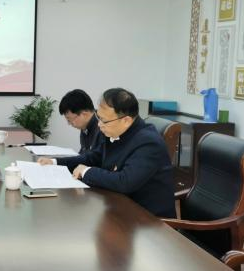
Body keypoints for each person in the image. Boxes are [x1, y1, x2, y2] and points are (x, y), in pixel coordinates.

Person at [39, 88, 175, 217]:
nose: (99, 125)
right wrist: (55, 162)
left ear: (126, 120)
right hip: (118, 207)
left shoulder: (148, 142)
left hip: (148, 221)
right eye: (99, 117)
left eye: (104, 120)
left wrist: (86, 171)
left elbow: (125, 182)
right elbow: (93, 157)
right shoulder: (115, 131)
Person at [58, 89, 101, 154]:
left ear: (84, 114)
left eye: (69, 120)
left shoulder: (102, 127)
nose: (69, 123)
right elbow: (83, 154)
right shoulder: (85, 126)